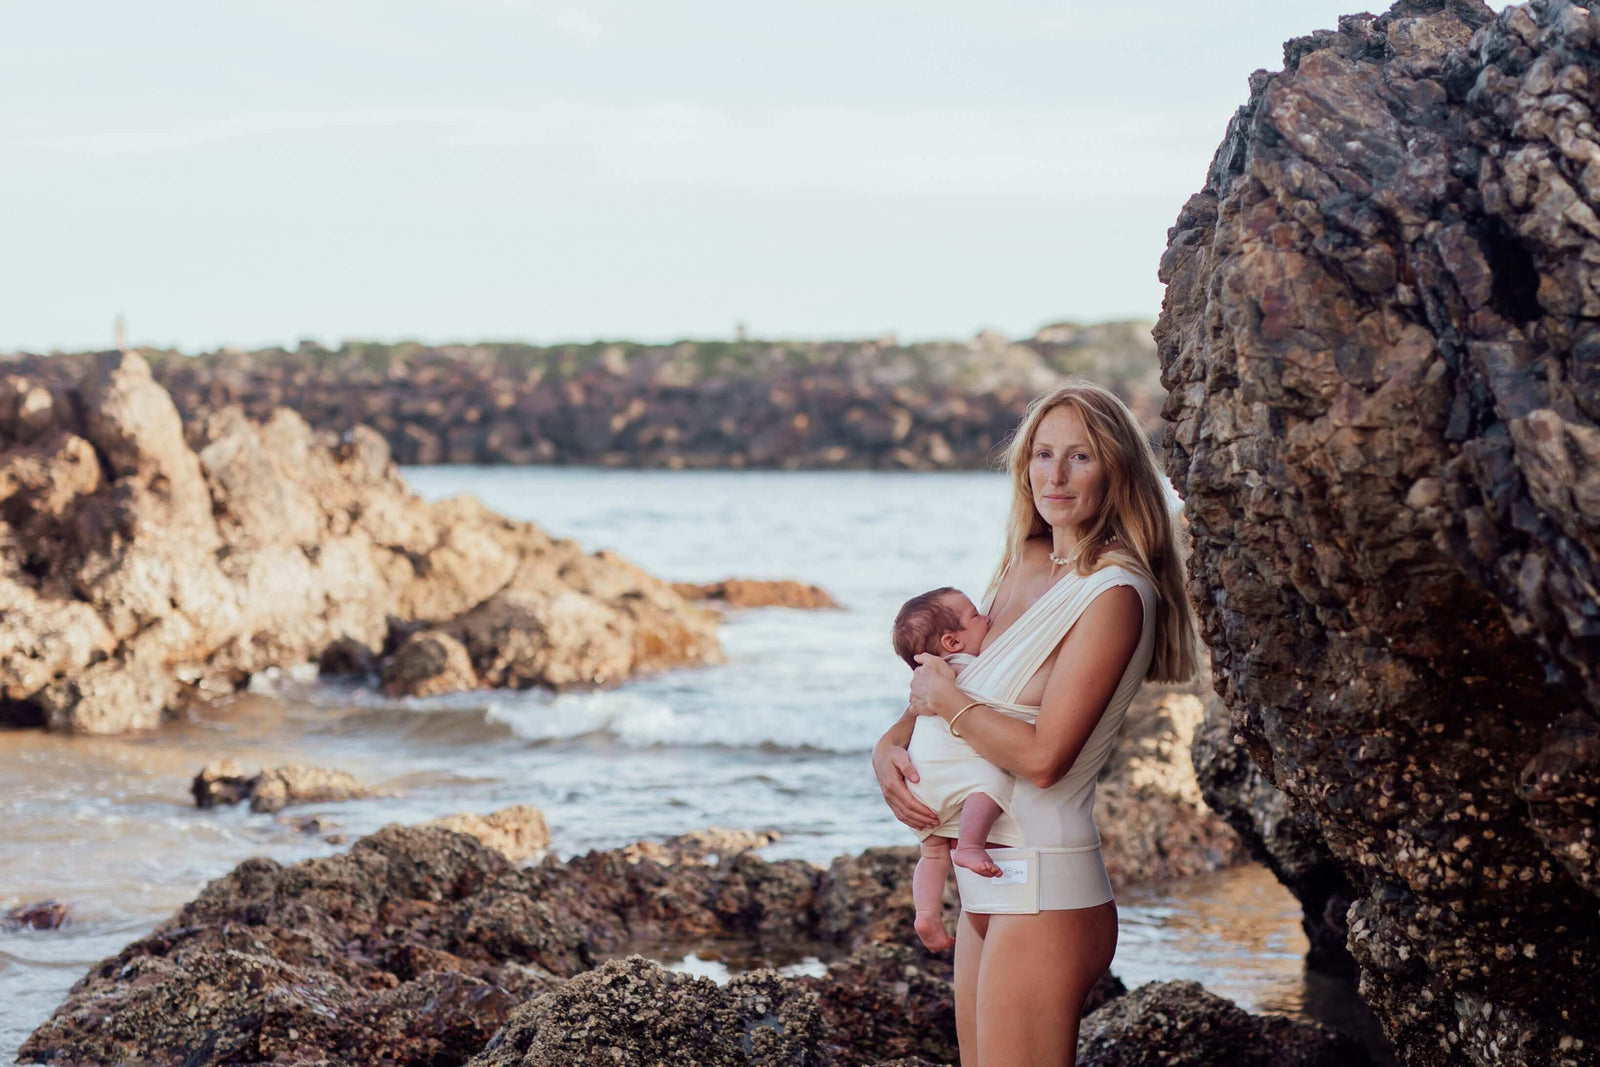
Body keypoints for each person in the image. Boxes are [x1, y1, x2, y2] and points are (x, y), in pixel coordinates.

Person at [872, 381, 1198, 1066]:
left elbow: (1045, 756)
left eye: (1079, 456)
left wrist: (949, 706)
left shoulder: (1115, 593)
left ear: (1116, 468)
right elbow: (945, 684)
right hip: (986, 887)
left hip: (1047, 882)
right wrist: (889, 744)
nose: (1054, 475)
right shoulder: (1018, 565)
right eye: (1042, 453)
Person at [890, 586, 1011, 952]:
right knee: (991, 784)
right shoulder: (953, 669)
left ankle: (926, 914)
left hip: (920, 781)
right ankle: (971, 846)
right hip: (948, 771)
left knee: (932, 854)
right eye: (976, 616)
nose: (986, 618)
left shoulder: (930, 674)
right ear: (952, 642)